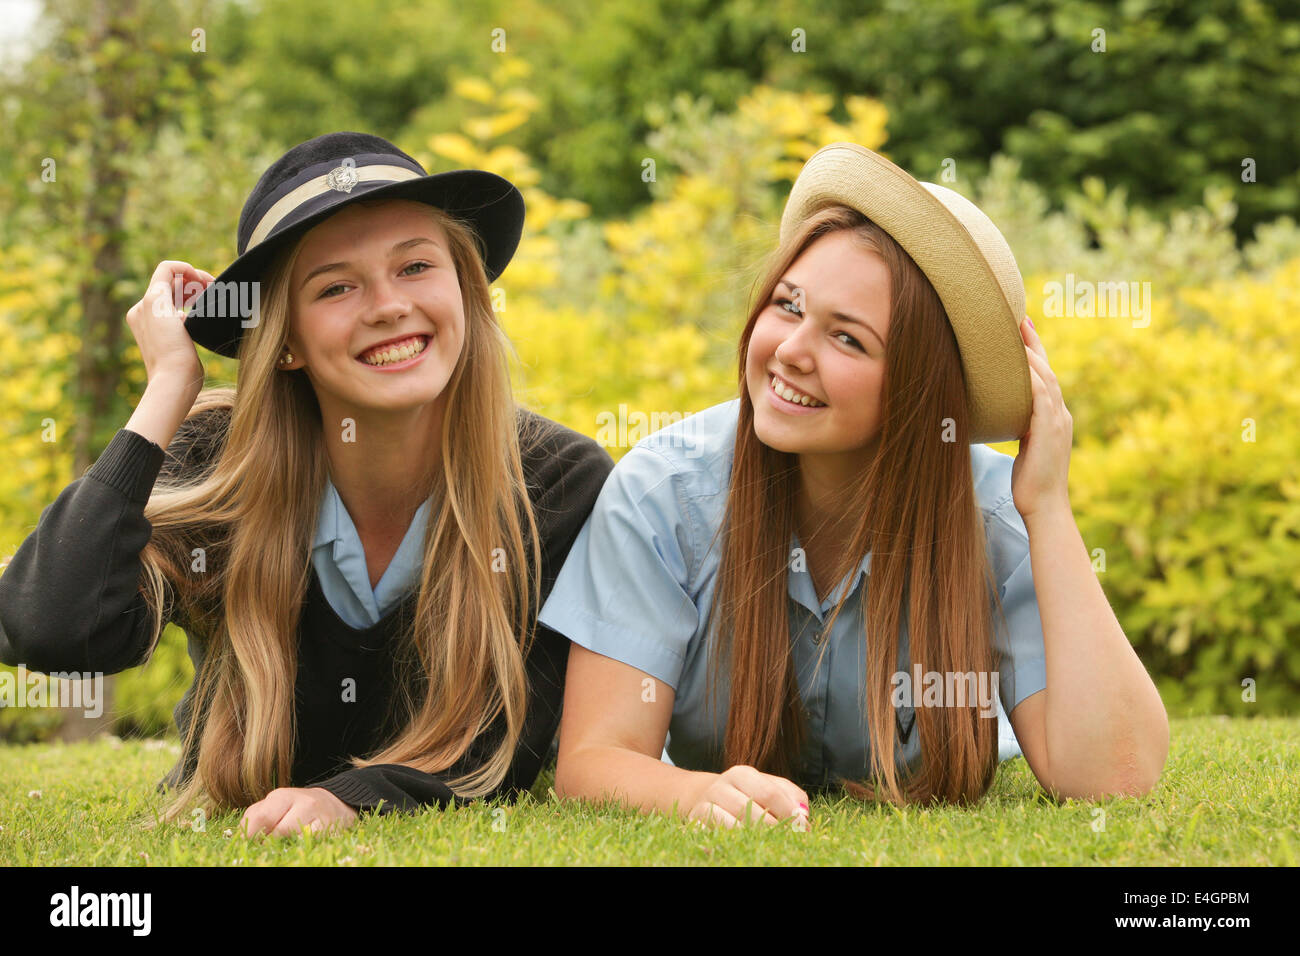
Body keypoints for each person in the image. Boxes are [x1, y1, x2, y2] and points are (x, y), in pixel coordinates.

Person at [539, 142, 1169, 828]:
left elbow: (1116, 778)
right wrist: (694, 796)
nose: (789, 351)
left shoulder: (992, 516)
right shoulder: (662, 493)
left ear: (919, 392)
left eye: (847, 339)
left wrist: (1047, 506)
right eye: (788, 305)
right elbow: (594, 760)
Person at [0, 132, 612, 836]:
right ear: (284, 340)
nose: (387, 306)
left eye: (415, 266)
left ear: (468, 292)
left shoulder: (557, 482)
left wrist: (348, 798)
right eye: (336, 287)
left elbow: (510, 742)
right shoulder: (215, 456)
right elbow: (52, 629)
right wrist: (169, 387)